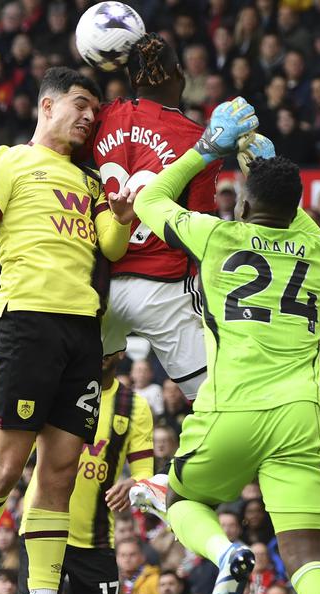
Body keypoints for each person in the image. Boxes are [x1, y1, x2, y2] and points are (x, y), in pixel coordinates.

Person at [134, 100, 320, 594]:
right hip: (301, 422)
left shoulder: (219, 236)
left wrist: (208, 148)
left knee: (181, 500)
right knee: (312, 564)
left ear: (245, 206)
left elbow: (151, 201)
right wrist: (270, 169)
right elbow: (292, 217)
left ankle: (227, 552)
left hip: (232, 411)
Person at [0, 67, 135, 594]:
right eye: (79, 105)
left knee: (58, 475)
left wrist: (124, 213)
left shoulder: (88, 179)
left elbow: (109, 247)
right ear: (46, 105)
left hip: (81, 333)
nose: (87, 117)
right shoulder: (8, 162)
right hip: (26, 324)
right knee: (4, 468)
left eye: (93, 110)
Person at [13, 351, 153, 594]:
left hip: (95, 539)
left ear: (120, 353)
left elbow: (145, 476)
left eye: (108, 347)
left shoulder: (132, 406)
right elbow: (13, 447)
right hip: (43, 531)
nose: (100, 352)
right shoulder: (57, 391)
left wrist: (134, 487)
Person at [92, 34, 215, 404]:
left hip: (99, 286)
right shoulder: (197, 139)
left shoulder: (101, 117)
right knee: (217, 401)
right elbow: (198, 226)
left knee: (75, 403)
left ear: (131, 79)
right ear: (179, 74)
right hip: (163, 288)